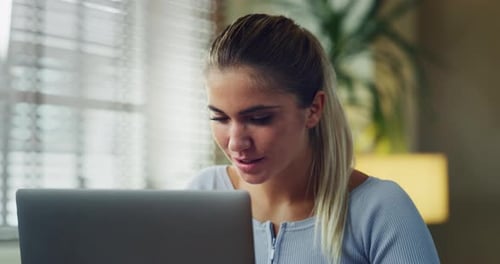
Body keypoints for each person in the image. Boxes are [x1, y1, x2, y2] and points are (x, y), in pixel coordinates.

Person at [187, 13, 440, 264]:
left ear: (314, 109)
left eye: (259, 118)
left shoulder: (382, 210)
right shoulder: (203, 195)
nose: (235, 143)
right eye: (220, 118)